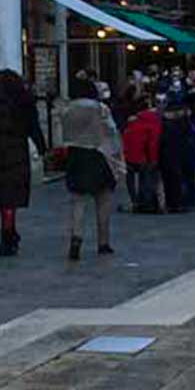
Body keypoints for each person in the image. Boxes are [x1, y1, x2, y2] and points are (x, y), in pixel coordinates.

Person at [0, 69, 48, 256]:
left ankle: (10, 232)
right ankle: (7, 236)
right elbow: (33, 127)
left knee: (2, 197)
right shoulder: (22, 103)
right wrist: (42, 148)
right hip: (16, 155)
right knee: (10, 199)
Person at [62, 77, 124, 260]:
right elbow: (111, 132)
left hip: (76, 156)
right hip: (98, 155)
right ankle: (103, 242)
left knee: (77, 201)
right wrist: (117, 157)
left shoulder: (67, 110)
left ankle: (76, 238)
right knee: (103, 200)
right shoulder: (100, 109)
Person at [159, 88, 195, 213]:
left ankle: (174, 203)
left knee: (171, 178)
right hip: (186, 148)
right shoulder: (185, 115)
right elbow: (192, 131)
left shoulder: (164, 117)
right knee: (188, 176)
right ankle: (188, 202)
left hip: (169, 151)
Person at [122, 101, 163, 213]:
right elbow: (152, 143)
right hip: (145, 157)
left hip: (130, 156)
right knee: (148, 177)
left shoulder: (133, 123)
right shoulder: (155, 123)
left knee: (131, 177)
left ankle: (135, 200)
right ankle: (148, 202)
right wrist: (154, 159)